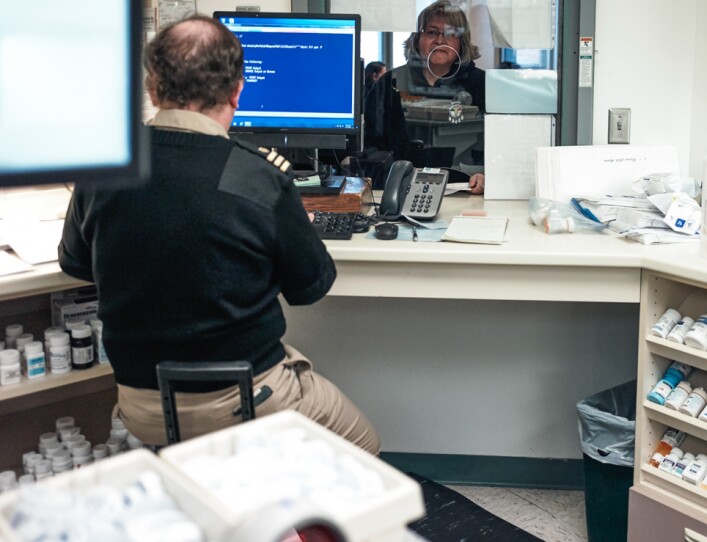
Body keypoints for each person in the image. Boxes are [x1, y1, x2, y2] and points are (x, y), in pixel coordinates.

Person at [57, 15, 379, 453]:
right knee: (365, 447)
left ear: (153, 88)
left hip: (142, 408)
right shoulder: (259, 176)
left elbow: (75, 263)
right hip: (243, 400)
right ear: (237, 91)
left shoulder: (104, 167)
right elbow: (310, 287)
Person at [364, 0, 485, 194]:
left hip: (465, 190)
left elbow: (494, 147)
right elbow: (369, 147)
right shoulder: (389, 83)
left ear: (461, 42)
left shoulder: (482, 84)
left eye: (451, 33)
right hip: (399, 189)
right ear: (417, 39)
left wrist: (484, 175)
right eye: (431, 32)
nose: (440, 40)